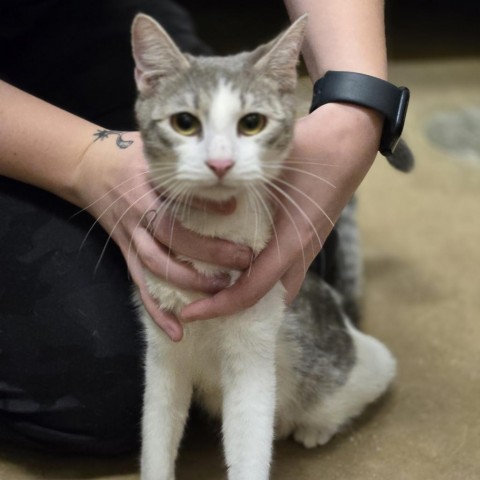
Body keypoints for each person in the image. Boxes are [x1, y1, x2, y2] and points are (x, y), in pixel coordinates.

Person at [0, 0, 386, 454]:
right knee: (100, 379)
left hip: (92, 16)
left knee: (291, 243)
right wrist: (85, 160)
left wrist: (355, 108)